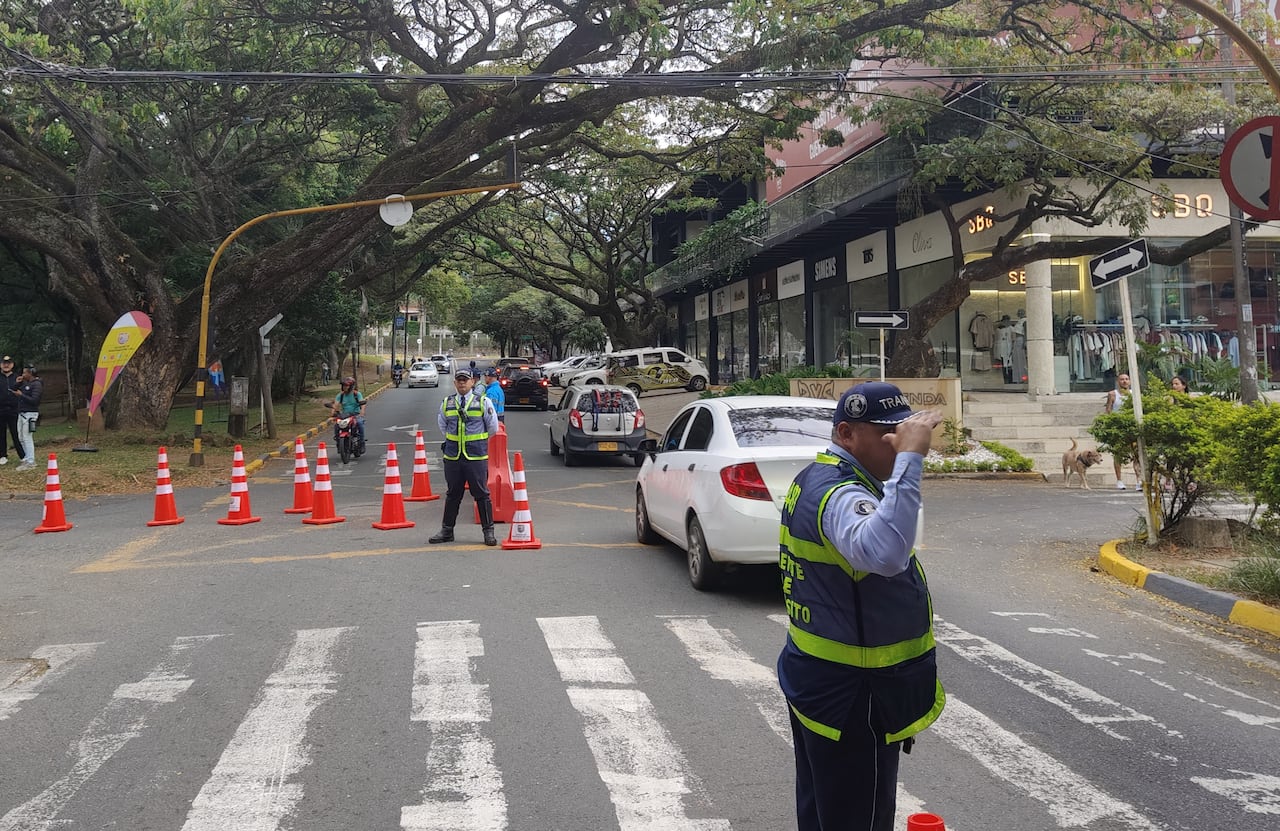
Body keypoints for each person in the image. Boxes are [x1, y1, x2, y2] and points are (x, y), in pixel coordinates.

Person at [777, 381, 945, 831]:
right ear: (847, 434)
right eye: (886, 433)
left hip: (825, 685)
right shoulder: (839, 492)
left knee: (826, 813)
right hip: (854, 697)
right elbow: (886, 554)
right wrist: (911, 460)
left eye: (902, 432)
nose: (897, 442)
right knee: (858, 819)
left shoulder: (828, 479)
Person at [430, 368, 500, 546]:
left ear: (472, 382)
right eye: (459, 380)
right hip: (453, 457)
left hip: (475, 457)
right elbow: (443, 426)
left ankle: (488, 532)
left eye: (465, 380)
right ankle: (447, 530)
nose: (462, 383)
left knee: (481, 494)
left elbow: (493, 428)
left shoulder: (483, 402)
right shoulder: (447, 403)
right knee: (453, 494)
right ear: (455, 383)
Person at [1104, 372, 1134, 489]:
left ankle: (1138, 480)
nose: (1124, 381)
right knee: (1118, 455)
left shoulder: (1133, 394)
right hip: (1117, 427)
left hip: (1130, 426)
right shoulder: (1113, 394)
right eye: (1122, 379)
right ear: (1118, 381)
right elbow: (1108, 410)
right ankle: (1119, 480)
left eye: (1127, 379)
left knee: (1135, 454)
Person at [14, 365, 43, 471]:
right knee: (21, 437)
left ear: (30, 373)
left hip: (30, 414)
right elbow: (13, 390)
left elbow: (35, 401)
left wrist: (21, 395)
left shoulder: (37, 384)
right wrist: (17, 383)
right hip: (21, 413)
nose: (23, 374)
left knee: (27, 437)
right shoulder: (25, 383)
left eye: (25, 373)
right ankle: (26, 458)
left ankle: (31, 461)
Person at [329, 376, 366, 451]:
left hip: (355, 415)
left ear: (351, 386)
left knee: (360, 424)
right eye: (343, 385)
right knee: (337, 426)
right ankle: (339, 443)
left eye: (346, 385)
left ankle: (361, 443)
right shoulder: (340, 395)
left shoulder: (357, 394)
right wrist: (333, 412)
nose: (344, 387)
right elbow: (335, 404)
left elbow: (362, 403)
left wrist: (362, 411)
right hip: (345, 416)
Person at [0, 355, 21, 465]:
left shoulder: (17, 377)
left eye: (8, 363)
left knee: (16, 433)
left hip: (14, 409)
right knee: (1, 434)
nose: (6, 365)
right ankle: (3, 455)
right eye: (4, 363)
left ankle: (22, 456)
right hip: (1, 409)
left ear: (12, 365)